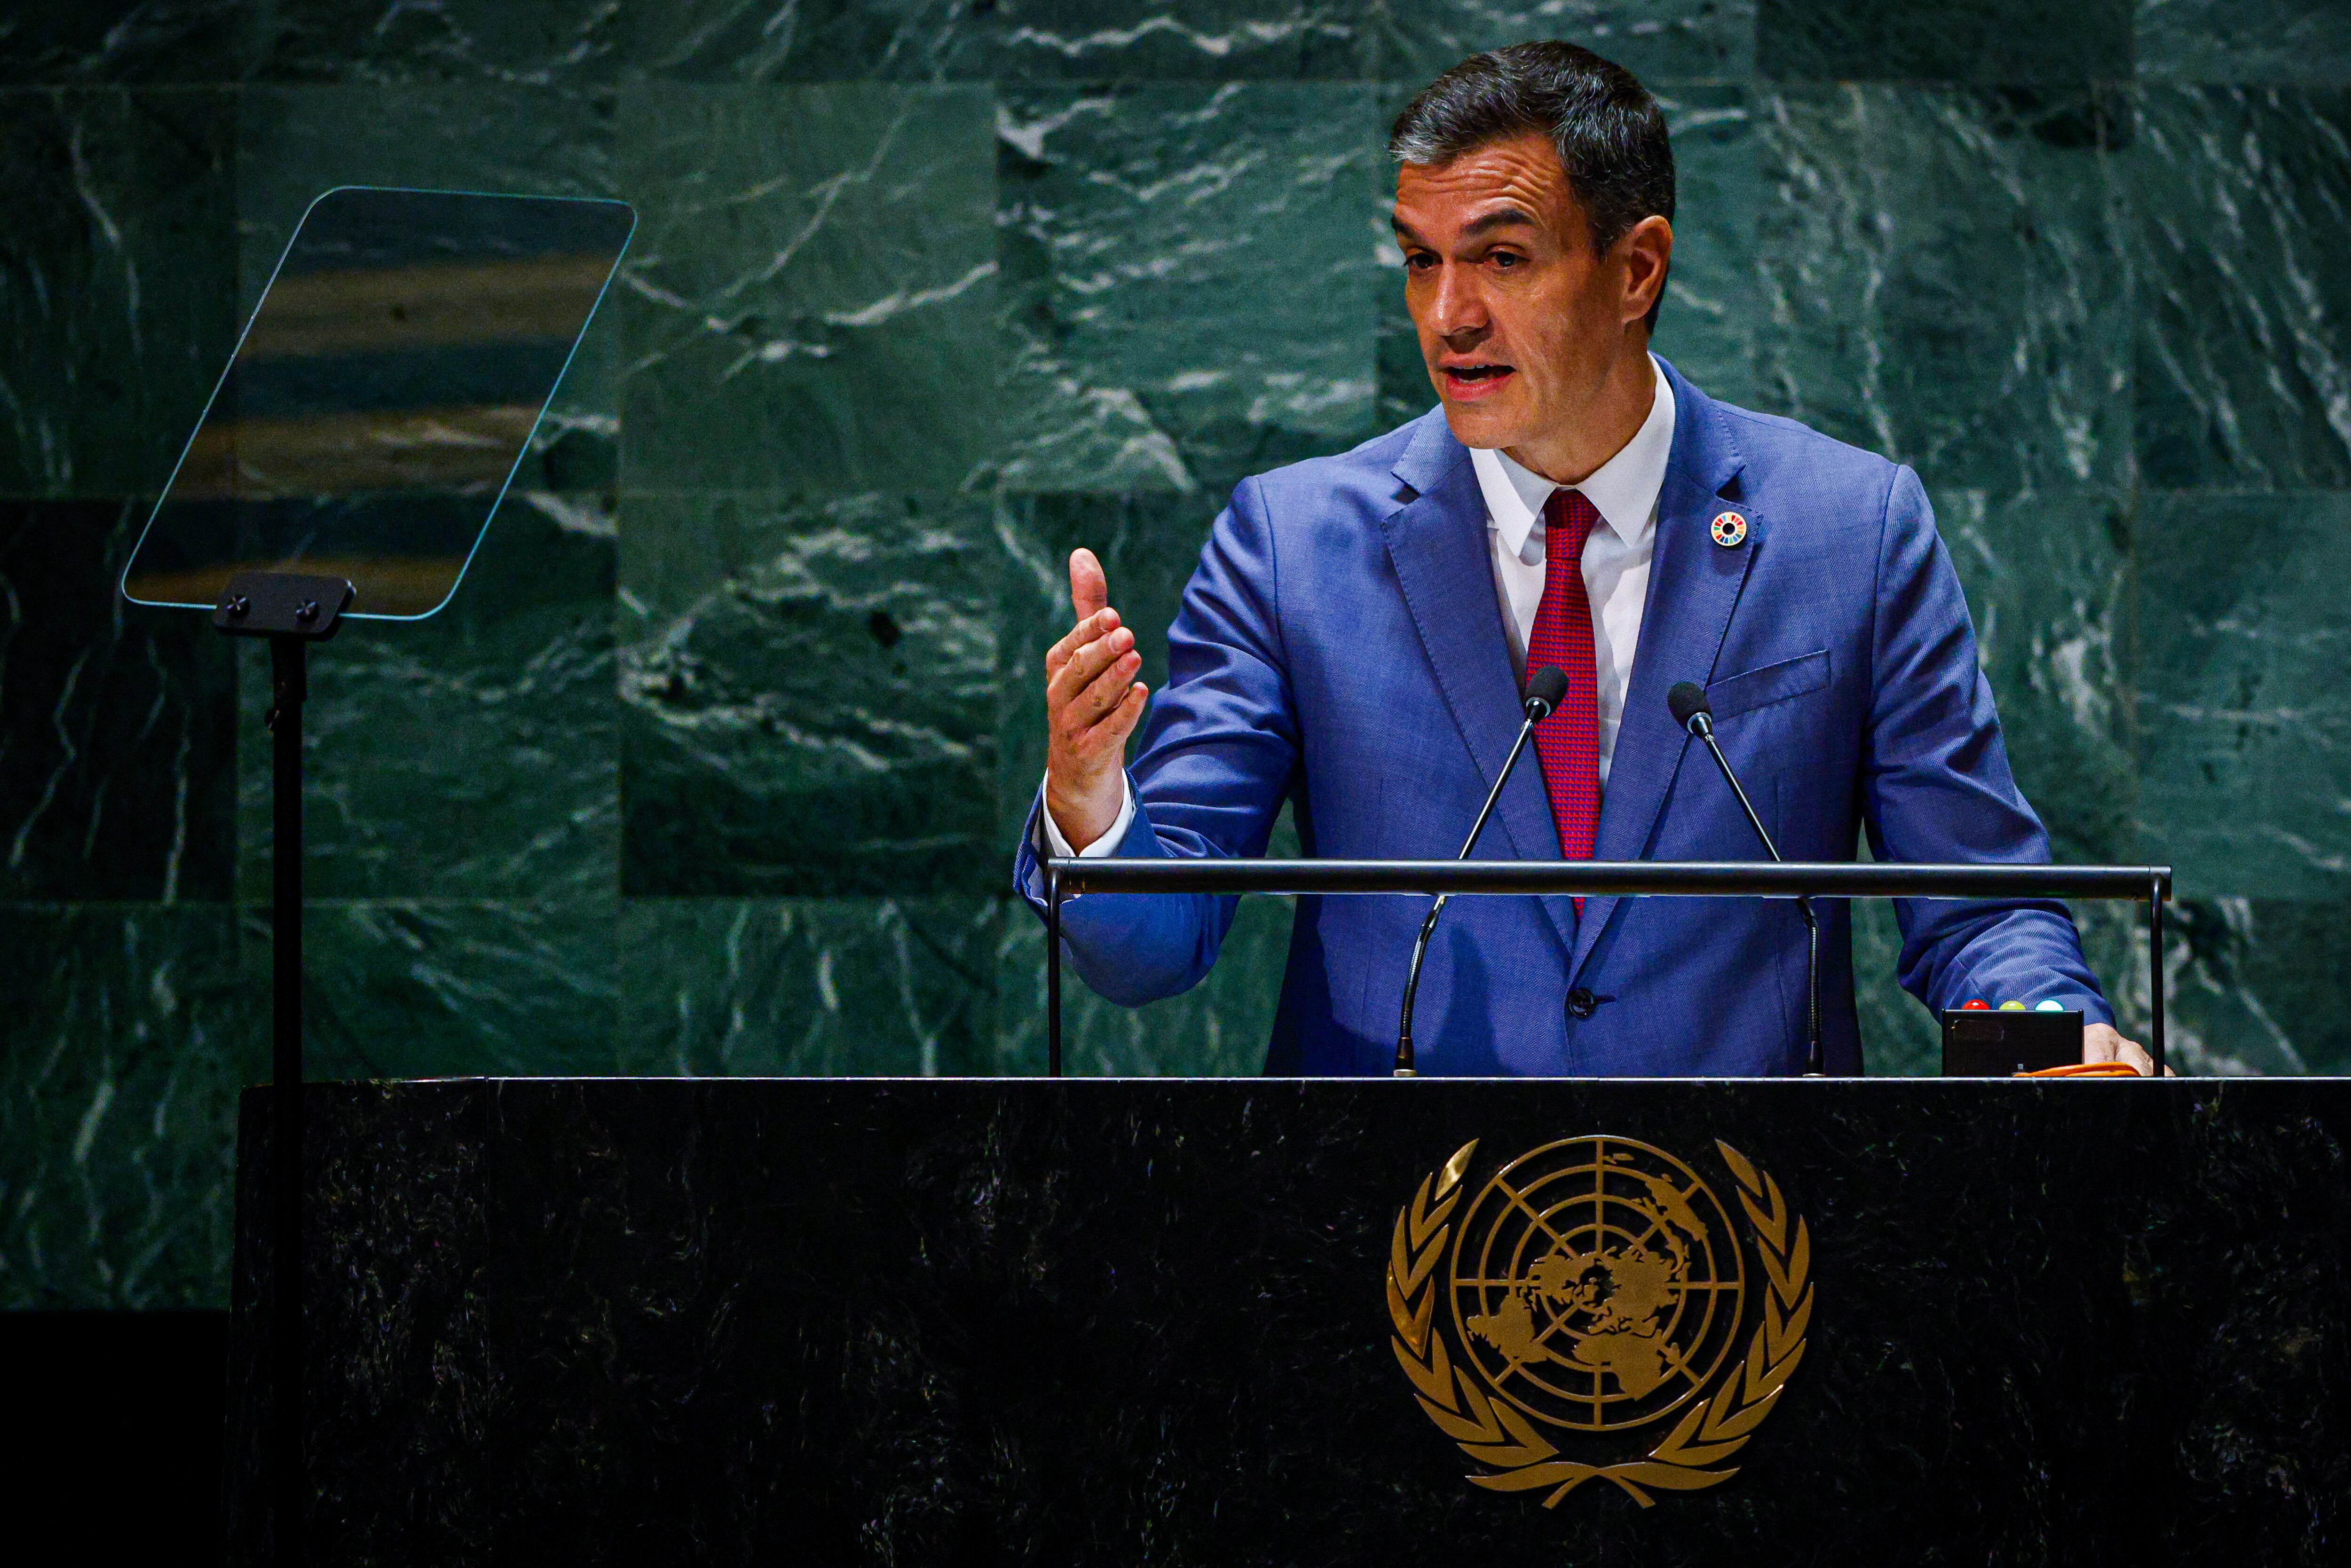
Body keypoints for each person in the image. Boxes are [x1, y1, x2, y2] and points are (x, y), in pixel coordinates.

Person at [1012, 40, 2156, 1078]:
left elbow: (1976, 904)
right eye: (1420, 262)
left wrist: (2053, 1039)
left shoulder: (1847, 532)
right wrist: (1090, 800)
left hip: (1742, 1251)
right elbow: (1150, 948)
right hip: (1386, 1236)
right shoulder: (1291, 543)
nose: (1447, 316)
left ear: (1636, 271)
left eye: (1501, 260)